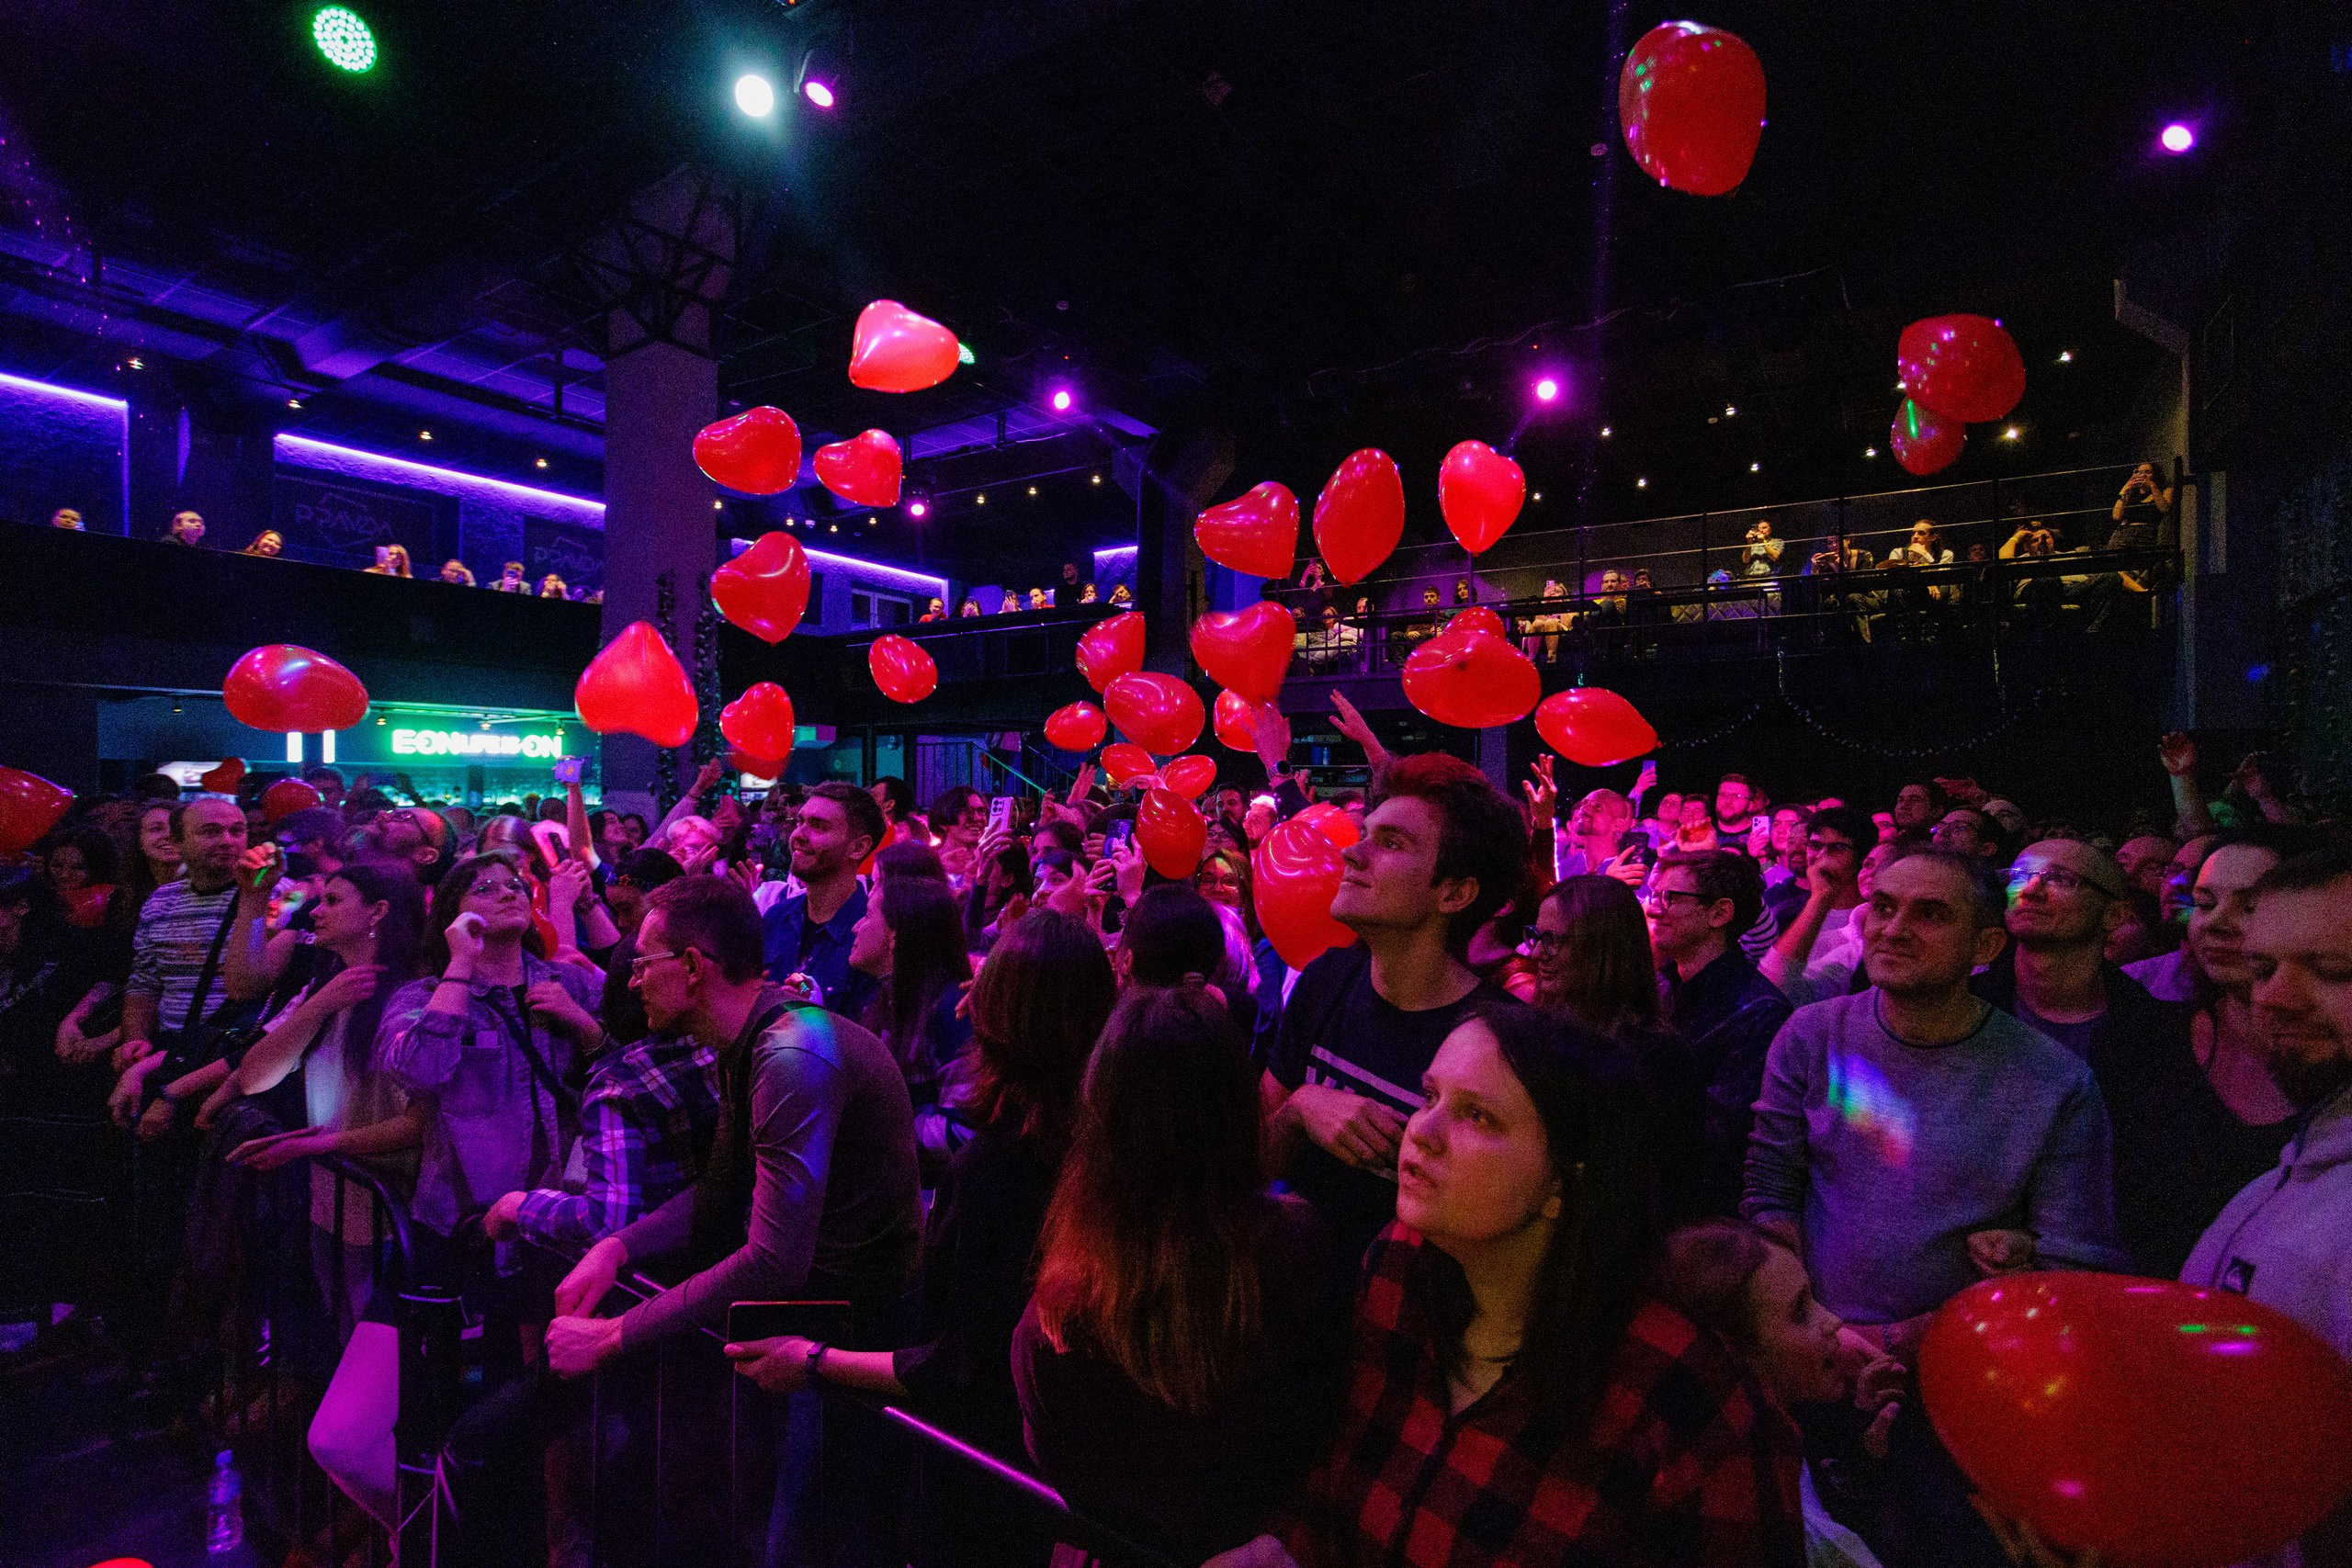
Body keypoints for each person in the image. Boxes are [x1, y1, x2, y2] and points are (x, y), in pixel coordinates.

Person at [1250, 1006, 1804, 1568]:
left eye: (1478, 1117)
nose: (1423, 1130)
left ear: (1564, 1183)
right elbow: (1337, 1493)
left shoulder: (1684, 1399)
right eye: (1429, 1097)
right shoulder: (1399, 1268)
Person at [1745, 848, 2120, 1568]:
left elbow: (2072, 1265)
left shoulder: (2052, 1080)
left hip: (1960, 1391)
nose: (1893, 927)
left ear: (1985, 946)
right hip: (1806, 1371)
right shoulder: (1814, 1034)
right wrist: (1811, 1332)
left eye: (1930, 913)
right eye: (1883, 906)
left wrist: (1895, 1341)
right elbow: (1769, 1188)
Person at [726, 911, 1118, 1566]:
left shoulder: (997, 1166)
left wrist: (814, 1359)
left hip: (984, 1470)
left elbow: (962, 1363)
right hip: (1066, 1460)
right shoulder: (1103, 1143)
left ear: (995, 1013)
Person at [543, 878, 921, 1557]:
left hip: (844, 1340)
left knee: (795, 1549)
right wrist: (619, 1249)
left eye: (643, 963)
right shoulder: (752, 1038)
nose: (632, 982)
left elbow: (776, 1256)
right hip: (809, 1332)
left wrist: (612, 1337)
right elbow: (720, 1190)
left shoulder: (788, 1054)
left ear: (692, 967)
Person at [1015, 984, 1346, 1565]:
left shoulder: (1067, 1289)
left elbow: (1048, 1446)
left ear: (1099, 1120)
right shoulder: (1296, 1247)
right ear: (1236, 1109)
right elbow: (1316, 1426)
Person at [1262, 753, 1531, 1281]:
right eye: (1365, 834)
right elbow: (1254, 1161)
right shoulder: (1328, 980)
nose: (1351, 853)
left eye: (1390, 843)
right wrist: (1300, 1110)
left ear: (1455, 893)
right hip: (1293, 1310)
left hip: (1406, 1329)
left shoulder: (1503, 1041)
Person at [1967, 839, 2257, 1279]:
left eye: (2060, 878)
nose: (2031, 890)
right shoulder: (1963, 1011)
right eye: (2019, 877)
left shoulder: (2159, 1035)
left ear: (2115, 914)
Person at [377, 852, 605, 1269]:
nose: (507, 894)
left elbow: (623, 1079)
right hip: (466, 1218)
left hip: (562, 1210)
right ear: (452, 916)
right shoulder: (422, 996)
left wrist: (584, 1025)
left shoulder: (572, 983)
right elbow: (419, 1071)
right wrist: (462, 961)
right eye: (484, 889)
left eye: (514, 886)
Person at [1647, 850, 1792, 1215]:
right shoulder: (1662, 986)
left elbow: (1719, 1136)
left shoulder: (1759, 1011)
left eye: (1672, 898)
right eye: (1656, 896)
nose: (1654, 909)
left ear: (1719, 913)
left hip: (1697, 1214)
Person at [847, 874, 973, 1172]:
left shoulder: (950, 1011)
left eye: (866, 916)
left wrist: (875, 1122)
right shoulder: (888, 998)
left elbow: (965, 1132)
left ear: (895, 936)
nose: (856, 927)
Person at [761, 782, 884, 1020]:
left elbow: (870, 1042)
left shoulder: (872, 933)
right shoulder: (776, 917)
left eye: (818, 826)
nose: (798, 835)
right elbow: (801, 984)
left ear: (858, 847)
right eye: (800, 822)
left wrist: (815, 1014)